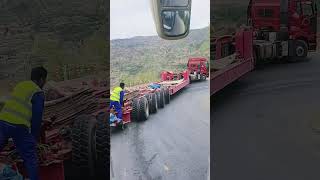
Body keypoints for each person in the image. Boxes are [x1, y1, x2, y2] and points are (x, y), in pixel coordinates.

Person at [0, 66, 47, 180]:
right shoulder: (38, 92)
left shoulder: (21, 85)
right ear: (41, 79)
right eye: (44, 80)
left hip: (2, 121)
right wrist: (34, 140)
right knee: (30, 158)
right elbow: (36, 119)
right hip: (19, 126)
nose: (44, 83)